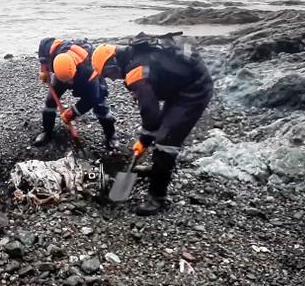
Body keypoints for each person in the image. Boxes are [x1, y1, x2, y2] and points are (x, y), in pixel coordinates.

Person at [90, 32, 213, 215]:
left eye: (108, 74)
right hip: (179, 86)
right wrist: (147, 136)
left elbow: (151, 115)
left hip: (194, 91)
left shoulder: (135, 73)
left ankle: (157, 197)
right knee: (163, 130)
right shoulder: (132, 55)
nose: (112, 79)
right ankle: (157, 168)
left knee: (166, 141)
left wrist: (144, 140)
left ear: (113, 63)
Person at [33, 37, 117, 148]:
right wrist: (44, 70)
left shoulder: (90, 71)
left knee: (99, 105)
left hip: (84, 77)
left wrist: (72, 113)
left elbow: (91, 99)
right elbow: (44, 43)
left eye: (69, 81)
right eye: (66, 81)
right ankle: (47, 132)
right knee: (50, 101)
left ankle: (111, 136)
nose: (68, 83)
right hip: (62, 73)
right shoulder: (55, 51)